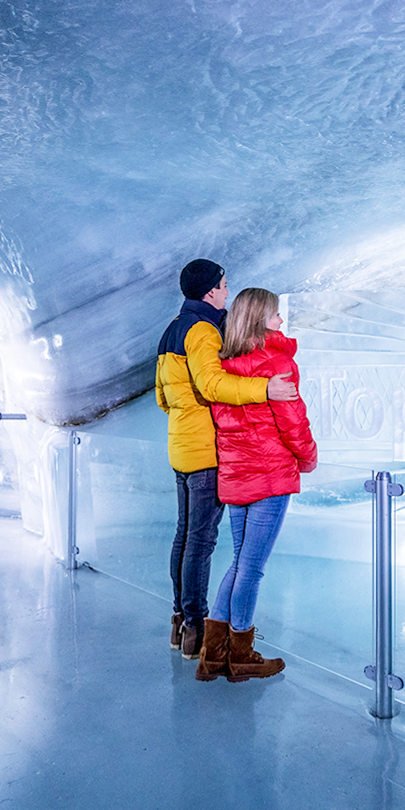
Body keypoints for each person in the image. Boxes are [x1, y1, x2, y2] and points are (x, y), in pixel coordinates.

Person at [156, 260, 298, 660]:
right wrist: (265, 388)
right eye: (222, 286)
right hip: (205, 450)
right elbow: (213, 384)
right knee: (201, 541)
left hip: (180, 446)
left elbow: (162, 397)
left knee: (185, 536)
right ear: (209, 292)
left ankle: (180, 622)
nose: (226, 291)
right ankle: (197, 629)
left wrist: (185, 418)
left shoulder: (173, 328)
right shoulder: (202, 332)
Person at [196, 287, 317, 683]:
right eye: (276, 315)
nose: (281, 321)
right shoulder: (277, 360)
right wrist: (309, 458)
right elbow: (292, 421)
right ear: (261, 318)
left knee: (239, 563)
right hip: (271, 476)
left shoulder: (223, 364)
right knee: (252, 569)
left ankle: (212, 656)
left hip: (236, 478)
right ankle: (241, 656)